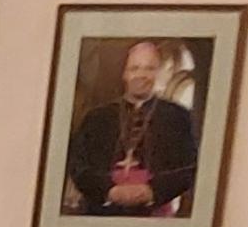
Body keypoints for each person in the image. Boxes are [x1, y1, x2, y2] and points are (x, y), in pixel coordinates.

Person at [66, 39, 200, 217]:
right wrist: (108, 191)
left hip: (155, 217)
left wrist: (152, 191)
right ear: (124, 73)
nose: (141, 75)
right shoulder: (97, 117)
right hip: (100, 214)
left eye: (149, 68)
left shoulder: (177, 116)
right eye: (135, 68)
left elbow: (189, 167)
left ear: (158, 72)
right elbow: (78, 166)